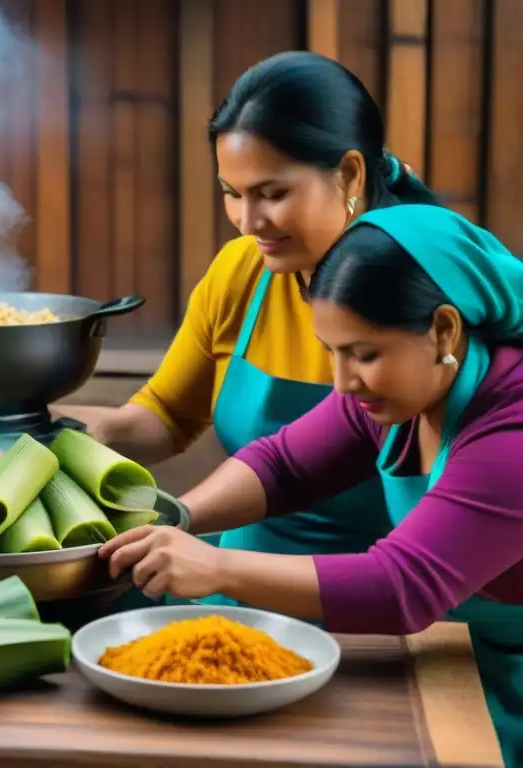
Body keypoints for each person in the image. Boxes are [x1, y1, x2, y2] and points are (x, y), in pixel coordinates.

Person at [100, 204, 523, 766]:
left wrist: (217, 567)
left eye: (364, 355)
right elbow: (284, 465)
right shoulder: (406, 390)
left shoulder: (510, 434)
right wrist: (175, 517)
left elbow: (402, 586)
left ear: (443, 328)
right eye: (332, 352)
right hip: (446, 659)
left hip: (505, 695)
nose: (344, 382)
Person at [90, 51, 441, 608]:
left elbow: (420, 572)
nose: (250, 223)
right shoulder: (243, 271)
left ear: (349, 173)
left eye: (273, 194)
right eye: (233, 193)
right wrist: (79, 440)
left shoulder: (426, 296)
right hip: (232, 589)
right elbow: (189, 420)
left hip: (389, 611)